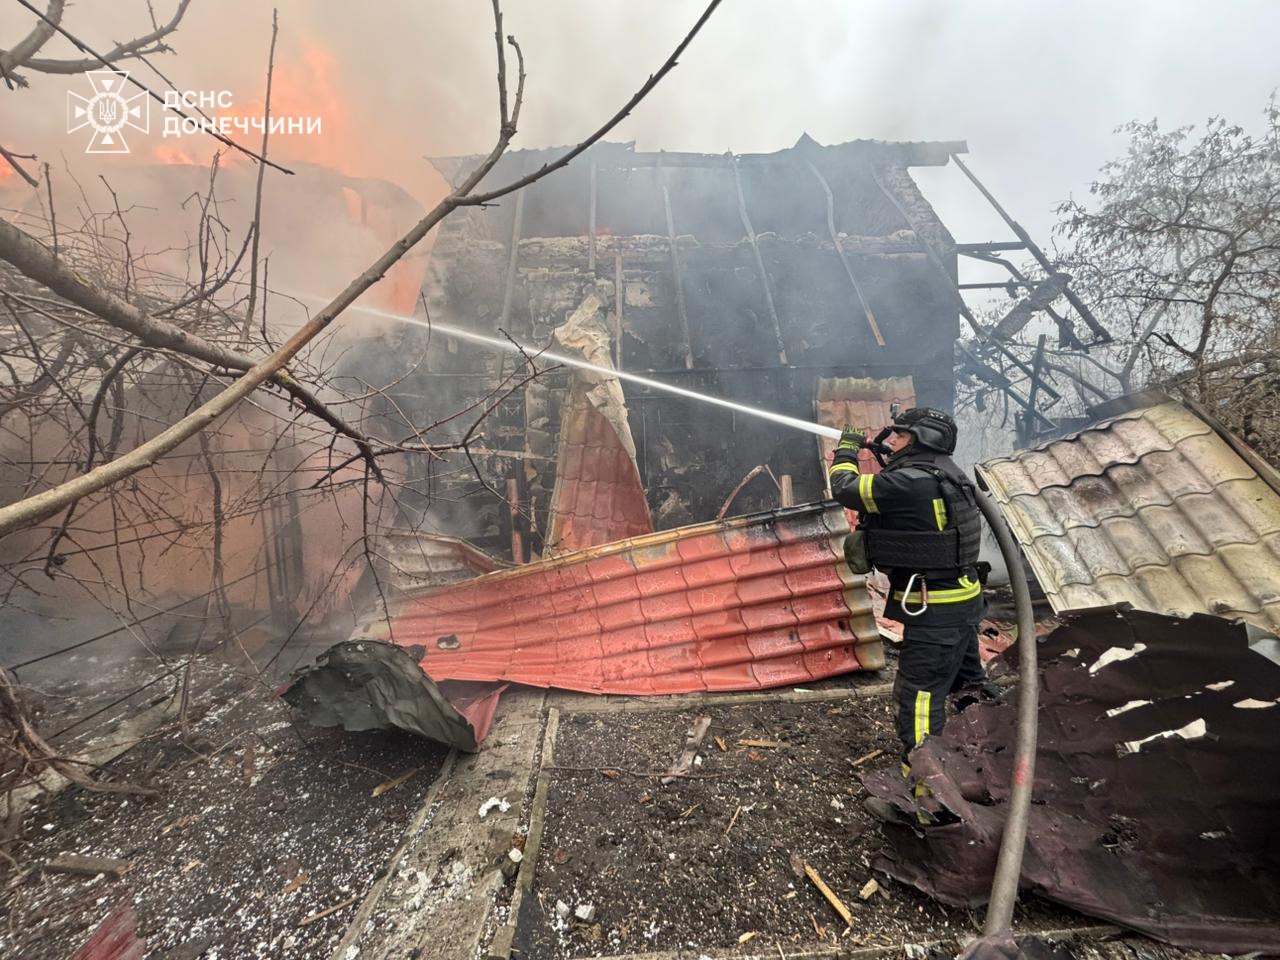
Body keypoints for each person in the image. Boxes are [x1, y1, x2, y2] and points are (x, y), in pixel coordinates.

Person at [827, 407, 989, 765]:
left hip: (936, 613)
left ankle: (927, 799)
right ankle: (985, 764)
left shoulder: (909, 482)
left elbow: (844, 488)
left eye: (899, 435)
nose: (893, 441)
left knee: (918, 701)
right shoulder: (945, 474)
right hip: (962, 606)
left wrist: (847, 450)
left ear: (919, 439)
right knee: (969, 688)